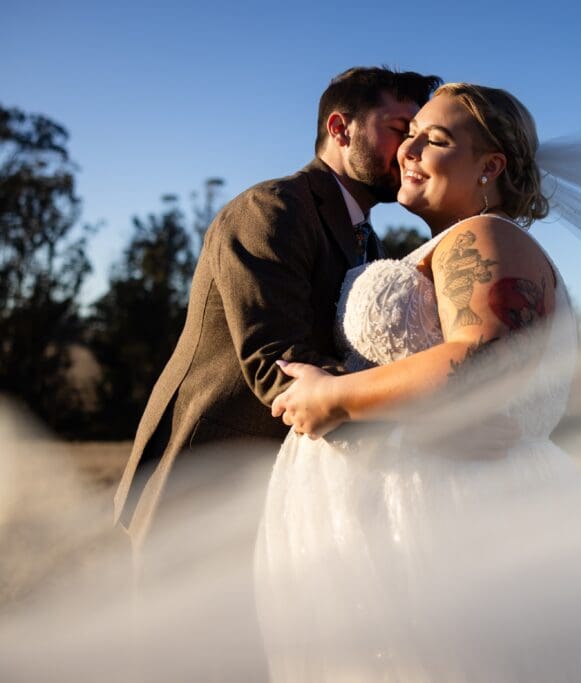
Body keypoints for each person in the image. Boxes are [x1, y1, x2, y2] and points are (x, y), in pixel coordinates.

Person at [255, 83, 581, 681]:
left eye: (433, 140)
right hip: (412, 500)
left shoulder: (485, 236)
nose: (407, 151)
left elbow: (483, 359)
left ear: (490, 166)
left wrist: (331, 398)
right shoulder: (449, 243)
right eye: (408, 135)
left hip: (453, 510)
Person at [112, 67, 441, 553]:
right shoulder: (274, 208)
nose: (411, 151)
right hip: (207, 482)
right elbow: (278, 360)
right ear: (339, 129)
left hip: (288, 492)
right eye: (398, 130)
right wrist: (416, 432)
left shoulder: (370, 241)